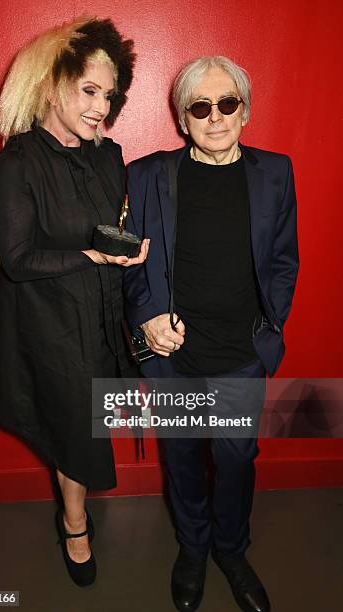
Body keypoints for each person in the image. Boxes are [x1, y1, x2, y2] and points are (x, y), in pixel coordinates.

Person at [123, 56, 299, 612]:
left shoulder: (276, 172)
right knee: (180, 460)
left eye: (228, 104)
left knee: (235, 461)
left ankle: (231, 549)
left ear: (245, 112)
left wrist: (270, 325)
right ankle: (193, 550)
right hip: (174, 356)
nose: (216, 116)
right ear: (183, 117)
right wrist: (147, 316)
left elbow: (284, 261)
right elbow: (128, 261)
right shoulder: (149, 174)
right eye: (201, 106)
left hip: (240, 353)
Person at [0, 16, 149, 587]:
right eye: (89, 90)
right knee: (72, 424)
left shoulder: (109, 156)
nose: (101, 106)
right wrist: (93, 257)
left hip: (99, 313)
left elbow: (112, 228)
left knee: (88, 422)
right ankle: (74, 521)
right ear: (51, 85)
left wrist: (130, 250)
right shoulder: (17, 163)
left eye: (108, 94)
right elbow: (19, 259)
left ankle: (74, 504)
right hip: (48, 324)